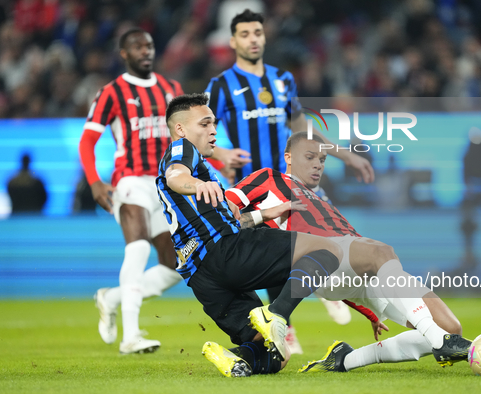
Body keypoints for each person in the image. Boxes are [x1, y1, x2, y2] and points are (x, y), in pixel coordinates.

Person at [223, 131, 472, 373]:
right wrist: (264, 214)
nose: (317, 165)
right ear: (288, 157)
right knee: (381, 251)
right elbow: (225, 214)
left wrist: (368, 311)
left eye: (322, 160)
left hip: (357, 267)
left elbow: (350, 263)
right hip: (323, 257)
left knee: (452, 327)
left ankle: (346, 359)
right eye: (309, 157)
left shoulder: (321, 197)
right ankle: (440, 341)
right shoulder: (269, 178)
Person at [204, 8, 362, 349]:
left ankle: (317, 296)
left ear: (265, 36)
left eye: (257, 33)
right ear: (233, 41)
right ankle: (289, 324)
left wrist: (342, 152)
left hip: (289, 181)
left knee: (319, 237)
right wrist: (222, 155)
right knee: (274, 257)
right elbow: (202, 131)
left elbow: (301, 126)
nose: (253, 39)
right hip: (251, 188)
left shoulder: (283, 80)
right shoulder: (220, 86)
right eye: (245, 34)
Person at [157, 93, 344, 377]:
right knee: (328, 250)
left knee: (274, 353)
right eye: (205, 124)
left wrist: (265, 215)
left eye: (214, 124)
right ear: (181, 128)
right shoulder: (183, 150)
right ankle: (276, 313)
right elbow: (175, 176)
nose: (213, 131)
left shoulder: (204, 170)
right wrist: (194, 184)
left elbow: (230, 220)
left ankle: (235, 359)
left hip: (202, 277)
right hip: (226, 252)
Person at [78, 28, 184, 354]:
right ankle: (131, 336)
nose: (145, 51)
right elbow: (87, 141)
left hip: (165, 186)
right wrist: (95, 181)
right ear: (124, 53)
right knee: (137, 250)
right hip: (130, 181)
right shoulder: (111, 92)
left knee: (177, 267)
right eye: (137, 47)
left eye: (149, 45)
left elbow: (185, 138)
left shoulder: (172, 89)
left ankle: (110, 298)